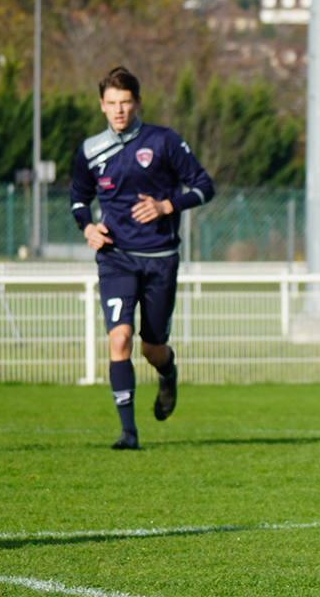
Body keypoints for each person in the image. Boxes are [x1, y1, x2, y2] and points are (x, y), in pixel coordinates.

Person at [70, 66, 215, 449]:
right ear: (102, 105)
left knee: (152, 348)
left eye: (126, 102)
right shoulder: (90, 150)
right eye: (112, 103)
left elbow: (204, 187)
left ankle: (167, 375)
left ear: (137, 103)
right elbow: (78, 199)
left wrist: (167, 205)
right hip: (115, 256)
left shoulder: (164, 142)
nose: (119, 110)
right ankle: (128, 432)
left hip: (160, 258)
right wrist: (87, 227)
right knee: (120, 338)